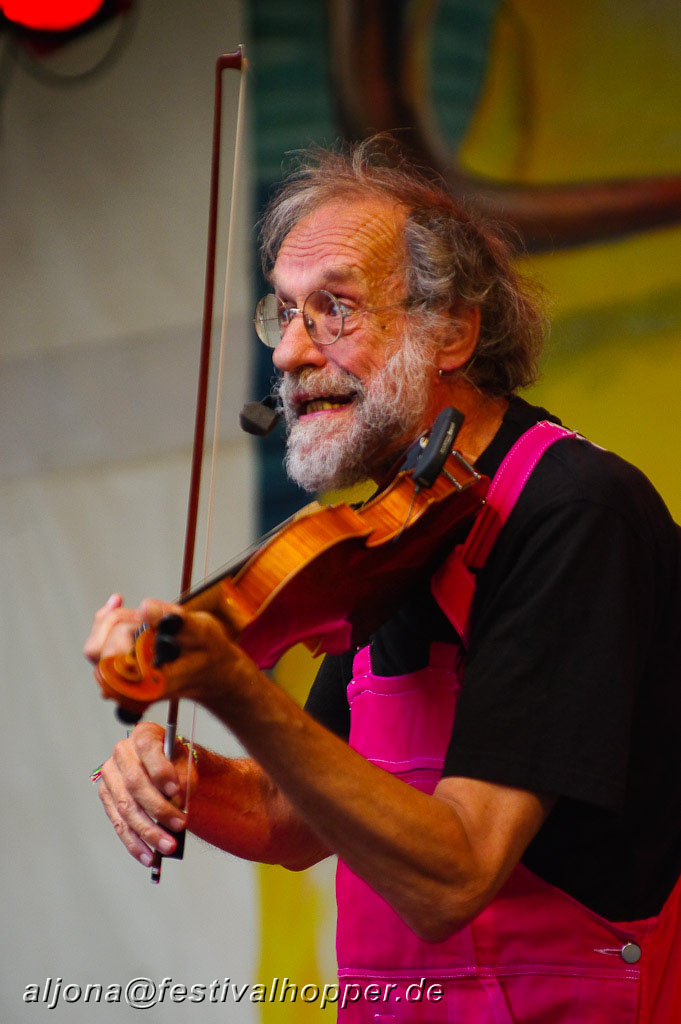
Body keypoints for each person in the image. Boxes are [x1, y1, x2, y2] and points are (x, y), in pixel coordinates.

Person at [85, 140, 681, 1022]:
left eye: (333, 309)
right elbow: (294, 820)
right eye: (283, 312)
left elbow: (457, 874)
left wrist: (235, 687)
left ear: (452, 332)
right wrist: (184, 777)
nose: (287, 353)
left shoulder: (570, 510)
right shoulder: (391, 531)